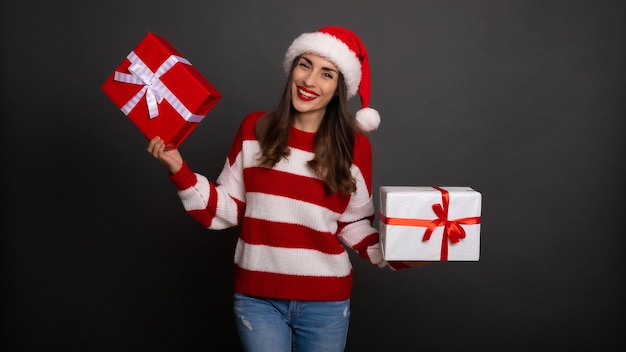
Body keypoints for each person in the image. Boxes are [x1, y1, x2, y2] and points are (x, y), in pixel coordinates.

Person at [147, 26, 425, 352]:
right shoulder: (255, 129)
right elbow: (228, 210)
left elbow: (353, 225)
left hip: (326, 303)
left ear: (339, 87)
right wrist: (179, 169)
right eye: (304, 64)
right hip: (257, 300)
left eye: (326, 74)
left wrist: (403, 256)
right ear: (292, 67)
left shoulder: (355, 146)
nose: (309, 81)